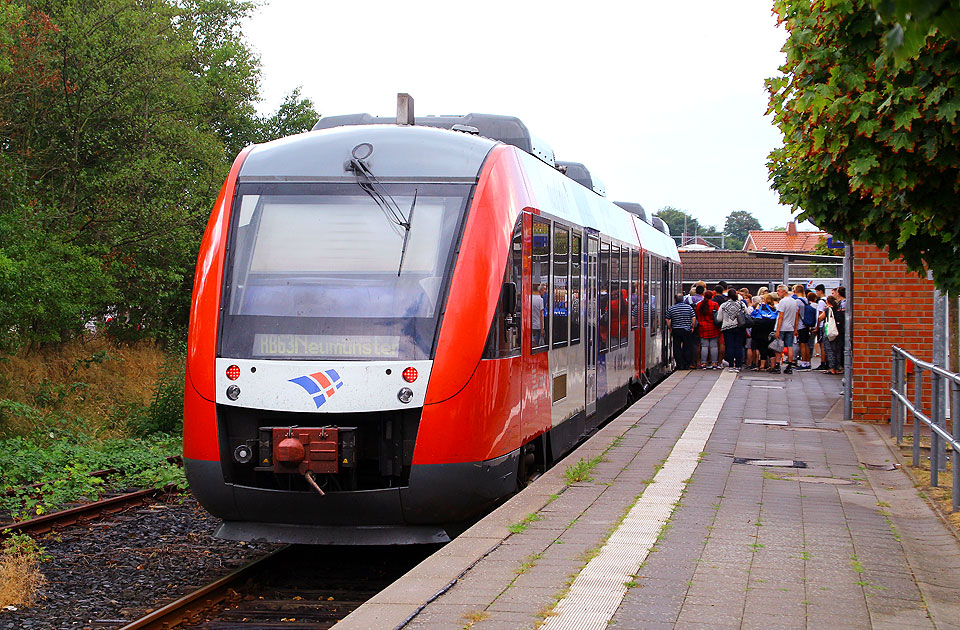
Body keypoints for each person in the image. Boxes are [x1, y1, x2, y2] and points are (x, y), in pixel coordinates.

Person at [717, 288, 747, 372]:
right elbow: (747, 314)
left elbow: (719, 318)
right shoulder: (741, 304)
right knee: (739, 346)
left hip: (727, 328)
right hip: (740, 327)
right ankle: (738, 365)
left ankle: (731, 365)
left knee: (729, 346)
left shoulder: (724, 305)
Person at [774, 284, 800, 374]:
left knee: (779, 347)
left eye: (779, 291)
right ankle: (789, 365)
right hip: (790, 327)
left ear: (784, 291)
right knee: (789, 346)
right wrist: (795, 329)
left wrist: (777, 330)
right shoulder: (794, 301)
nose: (777, 293)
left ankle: (777, 365)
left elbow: (780, 317)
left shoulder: (782, 302)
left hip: (782, 327)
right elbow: (796, 316)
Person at [666, 294, 697, 369]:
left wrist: (670, 328)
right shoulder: (688, 307)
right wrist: (692, 327)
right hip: (687, 330)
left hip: (676, 330)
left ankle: (679, 364)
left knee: (677, 347)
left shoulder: (672, 308)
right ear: (683, 299)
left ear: (675, 299)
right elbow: (693, 317)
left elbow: (667, 319)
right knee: (687, 347)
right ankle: (686, 364)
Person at [696, 290, 721, 369]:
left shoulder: (699, 305)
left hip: (702, 327)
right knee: (714, 346)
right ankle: (714, 363)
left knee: (704, 346)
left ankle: (703, 363)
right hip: (713, 327)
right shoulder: (714, 304)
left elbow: (697, 315)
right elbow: (717, 316)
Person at [754, 293, 779, 372]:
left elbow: (754, 315)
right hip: (770, 330)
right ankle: (773, 365)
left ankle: (762, 366)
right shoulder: (774, 309)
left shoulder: (761, 307)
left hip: (760, 330)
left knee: (762, 348)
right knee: (771, 349)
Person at [823, 295, 844, 374]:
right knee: (837, 350)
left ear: (827, 302)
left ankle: (831, 368)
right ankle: (837, 368)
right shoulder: (838, 309)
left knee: (829, 349)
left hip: (830, 332)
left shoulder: (828, 309)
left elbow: (820, 318)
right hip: (838, 332)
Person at [814, 284, 828, 370]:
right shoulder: (826, 300)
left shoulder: (821, 302)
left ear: (821, 291)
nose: (816, 293)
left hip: (822, 325)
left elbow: (820, 314)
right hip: (826, 324)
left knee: (822, 344)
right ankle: (825, 361)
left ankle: (823, 362)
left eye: (817, 291)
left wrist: (817, 326)